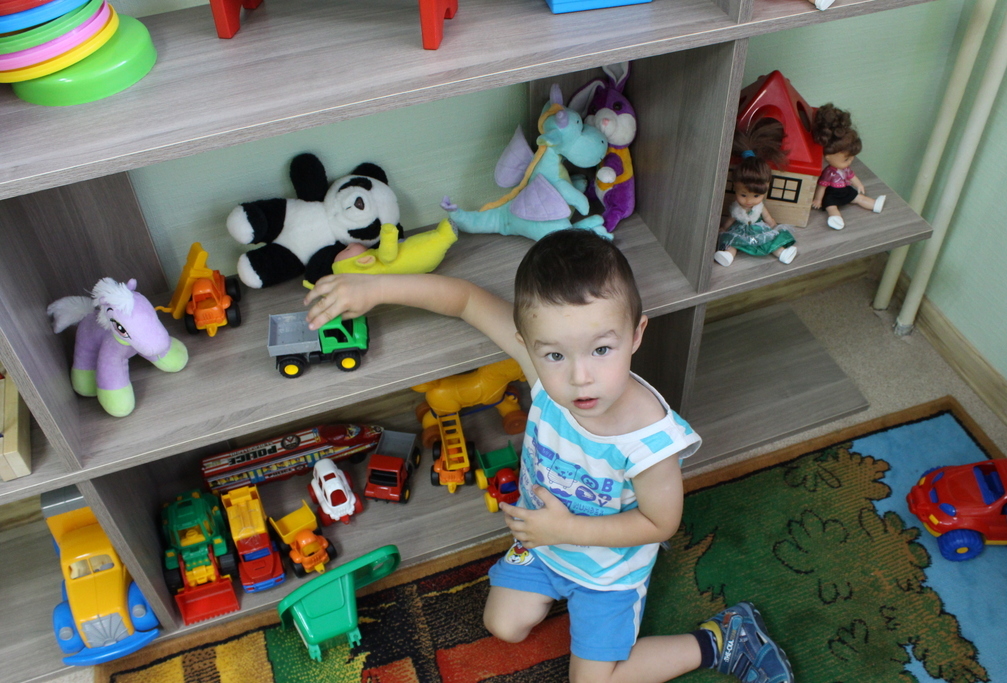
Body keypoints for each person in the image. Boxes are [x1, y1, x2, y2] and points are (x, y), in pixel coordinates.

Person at [305, 229, 794, 683]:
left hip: (608, 572)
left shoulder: (648, 440)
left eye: (601, 349)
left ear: (635, 334)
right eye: (556, 355)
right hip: (544, 544)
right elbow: (465, 299)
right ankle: (558, 581)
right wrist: (375, 288)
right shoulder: (540, 375)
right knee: (502, 625)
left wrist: (567, 530)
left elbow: (660, 523)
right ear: (527, 347)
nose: (580, 378)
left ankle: (723, 640)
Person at [715, 118, 798, 267]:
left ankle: (781, 252)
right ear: (735, 188)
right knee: (732, 241)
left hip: (758, 229)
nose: (749, 201)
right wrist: (724, 228)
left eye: (756, 196)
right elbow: (730, 219)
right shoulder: (736, 207)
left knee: (768, 241)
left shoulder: (760, 207)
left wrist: (774, 227)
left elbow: (768, 218)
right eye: (743, 195)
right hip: (740, 230)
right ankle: (728, 254)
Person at [811, 103, 886, 230]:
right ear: (828, 157)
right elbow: (822, 186)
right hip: (832, 193)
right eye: (846, 159)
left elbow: (852, 176)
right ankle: (835, 218)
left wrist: (859, 185)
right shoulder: (829, 172)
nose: (850, 162)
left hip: (845, 189)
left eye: (851, 158)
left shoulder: (845, 168)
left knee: (858, 197)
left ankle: (874, 204)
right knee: (830, 205)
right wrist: (818, 200)